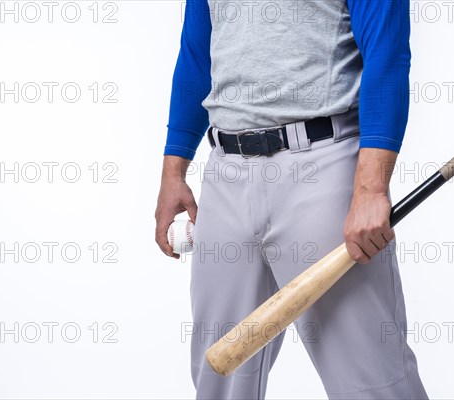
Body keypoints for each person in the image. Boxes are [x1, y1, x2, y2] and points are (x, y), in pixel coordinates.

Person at [155, 0, 428, 398]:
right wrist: (173, 171)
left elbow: (387, 55)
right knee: (220, 376)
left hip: (323, 166)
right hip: (225, 172)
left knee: (369, 380)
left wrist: (371, 189)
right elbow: (197, 54)